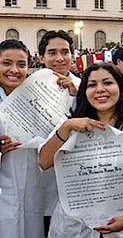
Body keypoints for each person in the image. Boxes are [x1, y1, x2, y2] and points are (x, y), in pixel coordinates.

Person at [39, 62, 123, 237]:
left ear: (120, 88)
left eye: (107, 83)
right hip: (73, 228)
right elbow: (44, 162)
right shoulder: (69, 124)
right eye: (92, 85)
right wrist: (67, 127)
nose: (100, 89)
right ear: (84, 91)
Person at [38, 29, 81, 236]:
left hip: (78, 181)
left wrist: (76, 95)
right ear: (41, 57)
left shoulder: (86, 88)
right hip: (42, 181)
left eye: (65, 52)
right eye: (52, 52)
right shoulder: (28, 89)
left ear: (73, 55)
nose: (59, 58)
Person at [0, 39, 44, 238]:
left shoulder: (40, 98)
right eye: (6, 63)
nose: (14, 70)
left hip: (33, 187)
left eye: (21, 64)